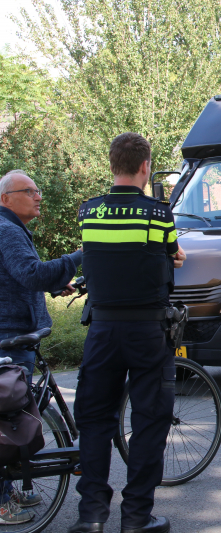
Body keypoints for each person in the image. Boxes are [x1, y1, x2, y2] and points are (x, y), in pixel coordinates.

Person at [68, 133, 186, 533]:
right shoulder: (158, 214)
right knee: (151, 419)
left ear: (112, 164)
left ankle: (91, 516)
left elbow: (102, 256)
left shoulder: (89, 213)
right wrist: (174, 254)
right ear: (144, 167)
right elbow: (169, 255)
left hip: (101, 330)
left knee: (95, 419)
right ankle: (136, 517)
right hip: (147, 332)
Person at [0, 169, 82, 525]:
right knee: (8, 422)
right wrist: (80, 255)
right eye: (29, 191)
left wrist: (53, 285)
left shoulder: (11, 229)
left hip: (15, 332)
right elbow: (31, 273)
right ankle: (2, 505)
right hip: (11, 336)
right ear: (6, 198)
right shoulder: (7, 231)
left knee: (13, 416)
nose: (38, 197)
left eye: (38, 191)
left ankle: (7, 491)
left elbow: (18, 277)